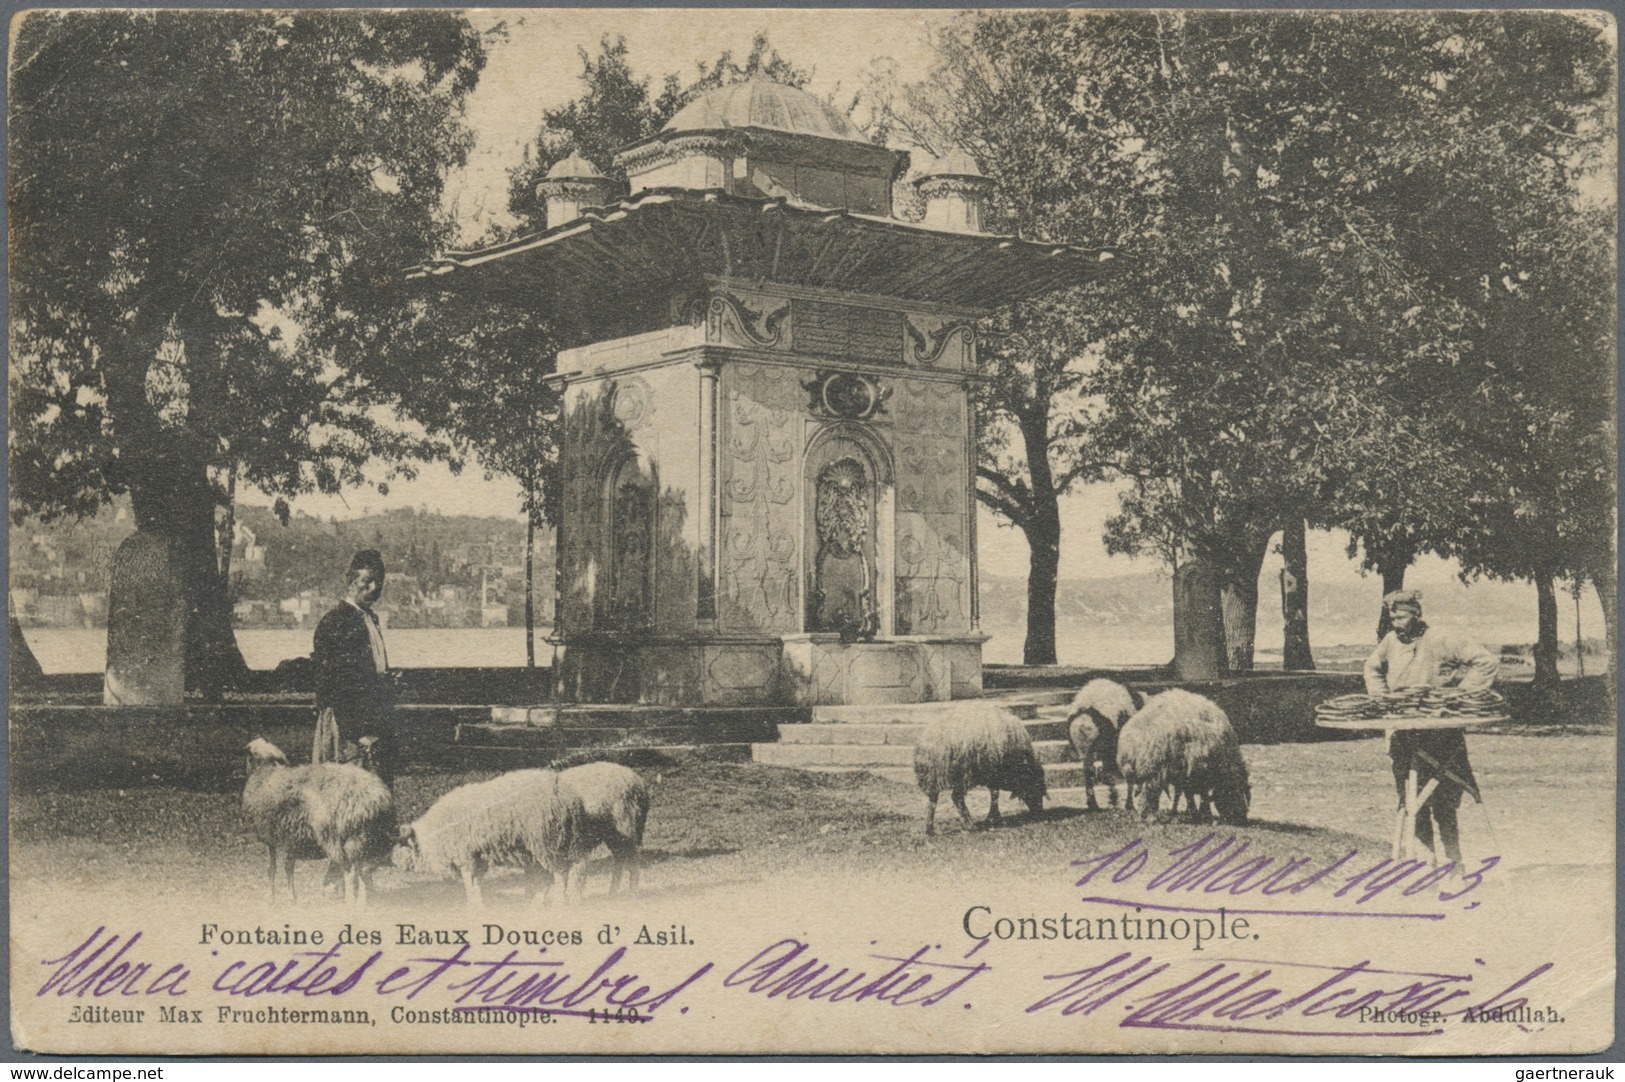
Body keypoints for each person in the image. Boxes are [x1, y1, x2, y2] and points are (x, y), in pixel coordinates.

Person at [1363, 590, 1498, 864]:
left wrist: (1458, 697)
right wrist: (1383, 701)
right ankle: (1425, 864)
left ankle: (1454, 862)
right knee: (1410, 802)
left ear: (1417, 615)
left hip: (1442, 735)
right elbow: (1372, 667)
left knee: (1445, 803)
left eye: (1401, 617)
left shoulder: (1441, 638)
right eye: (1392, 618)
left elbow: (1486, 662)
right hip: (1403, 733)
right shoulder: (1390, 642)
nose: (1396, 624)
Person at [312, 549, 397, 786]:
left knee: (376, 789)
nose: (374, 588)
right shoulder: (336, 622)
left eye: (378, 582)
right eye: (366, 581)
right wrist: (358, 731)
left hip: (373, 716)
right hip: (347, 722)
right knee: (347, 789)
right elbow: (337, 684)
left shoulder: (370, 620)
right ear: (351, 582)